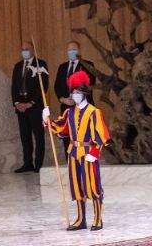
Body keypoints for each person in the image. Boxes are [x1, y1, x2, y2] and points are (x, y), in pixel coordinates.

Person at [43, 71, 110, 231]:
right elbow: (60, 128)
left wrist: (94, 154)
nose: (75, 95)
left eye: (78, 92)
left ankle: (98, 218)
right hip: (73, 152)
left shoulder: (94, 112)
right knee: (77, 187)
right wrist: (47, 120)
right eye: (73, 92)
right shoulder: (69, 112)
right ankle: (81, 219)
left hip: (88, 153)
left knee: (92, 186)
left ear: (84, 93)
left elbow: (102, 136)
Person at [11, 41, 48, 173]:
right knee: (25, 136)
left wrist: (31, 103)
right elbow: (14, 87)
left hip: (35, 108)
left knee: (38, 136)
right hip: (21, 108)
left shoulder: (41, 64)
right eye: (22, 49)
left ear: (33, 49)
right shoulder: (17, 66)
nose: (24, 51)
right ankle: (28, 163)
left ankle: (38, 164)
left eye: (27, 49)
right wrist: (17, 103)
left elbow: (43, 86)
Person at [54, 41, 96, 153]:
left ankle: (84, 162)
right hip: (66, 107)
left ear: (79, 51)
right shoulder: (62, 67)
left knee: (84, 135)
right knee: (67, 136)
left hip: (83, 107)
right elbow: (57, 86)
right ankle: (70, 163)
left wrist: (76, 98)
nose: (71, 52)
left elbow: (89, 85)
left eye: (74, 49)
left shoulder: (87, 65)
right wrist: (63, 99)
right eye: (69, 50)